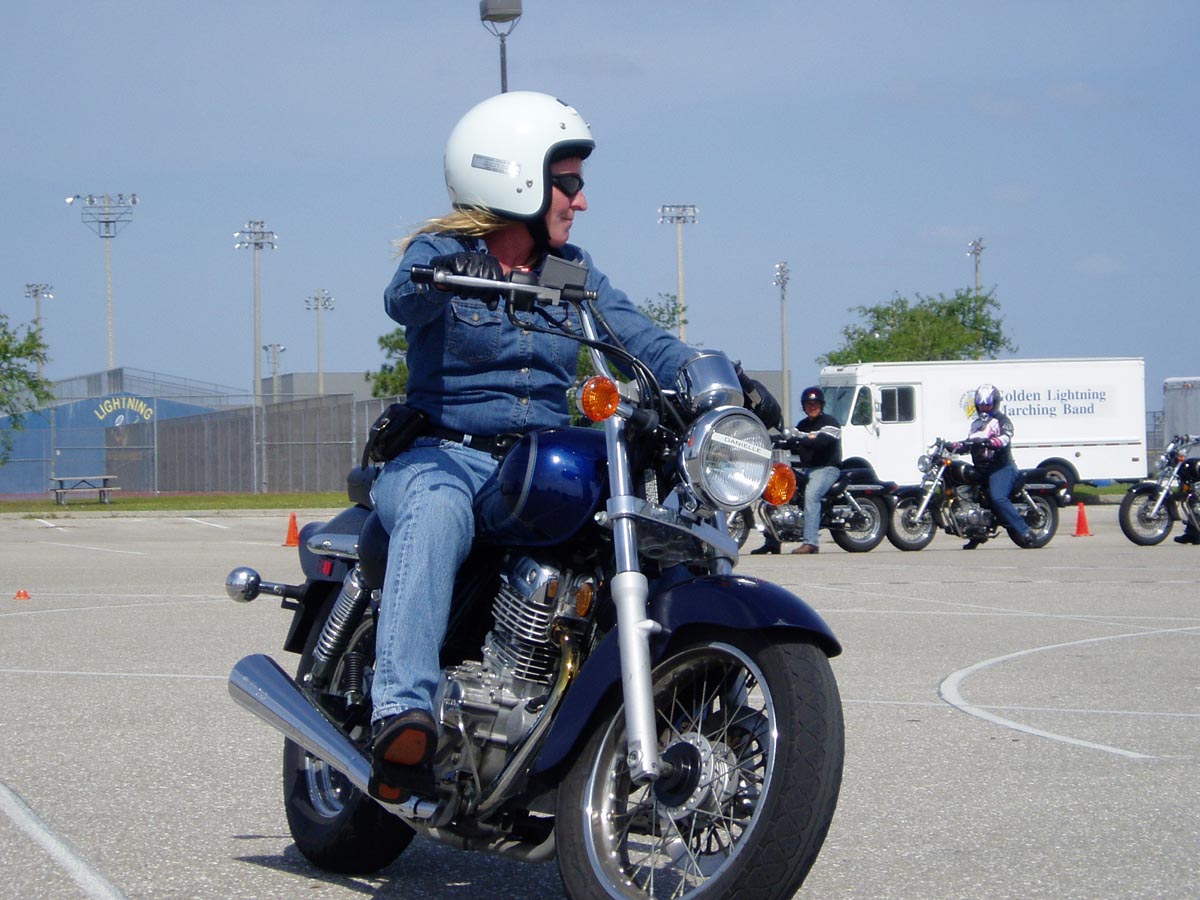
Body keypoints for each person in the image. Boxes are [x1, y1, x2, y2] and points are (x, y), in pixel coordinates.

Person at [367, 91, 777, 802]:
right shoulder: (444, 255)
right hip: (443, 455)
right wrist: (450, 279)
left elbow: (635, 333)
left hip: (530, 463)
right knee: (437, 509)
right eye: (568, 184)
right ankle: (401, 711)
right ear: (514, 179)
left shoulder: (568, 270)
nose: (580, 201)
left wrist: (716, 380)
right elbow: (402, 297)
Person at [752, 385, 841, 555]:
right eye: (808, 404)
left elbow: (822, 442)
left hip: (826, 469)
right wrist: (769, 439)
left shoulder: (830, 423)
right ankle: (772, 541)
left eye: (815, 404)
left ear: (821, 405)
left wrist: (801, 440)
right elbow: (790, 439)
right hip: (807, 469)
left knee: (811, 496)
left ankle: (811, 543)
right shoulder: (802, 425)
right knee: (777, 490)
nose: (812, 407)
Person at [950, 384, 1035, 550]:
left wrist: (993, 441)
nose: (984, 408)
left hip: (1001, 468)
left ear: (994, 404)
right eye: (981, 405)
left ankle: (1025, 531)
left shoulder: (1002, 420)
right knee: (971, 495)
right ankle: (976, 532)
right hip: (982, 469)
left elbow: (1006, 436)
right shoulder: (976, 424)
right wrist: (955, 446)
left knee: (998, 498)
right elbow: (969, 444)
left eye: (987, 405)